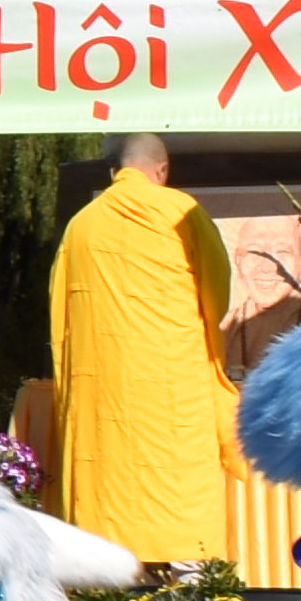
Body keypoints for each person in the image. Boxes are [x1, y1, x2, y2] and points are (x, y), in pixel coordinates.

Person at [43, 134, 237, 563]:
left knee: (107, 487)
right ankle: (191, 581)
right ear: (162, 171)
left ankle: (106, 587)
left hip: (102, 390)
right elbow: (216, 292)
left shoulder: (82, 224)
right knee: (181, 487)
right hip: (172, 382)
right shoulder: (179, 211)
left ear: (114, 172)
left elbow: (60, 309)